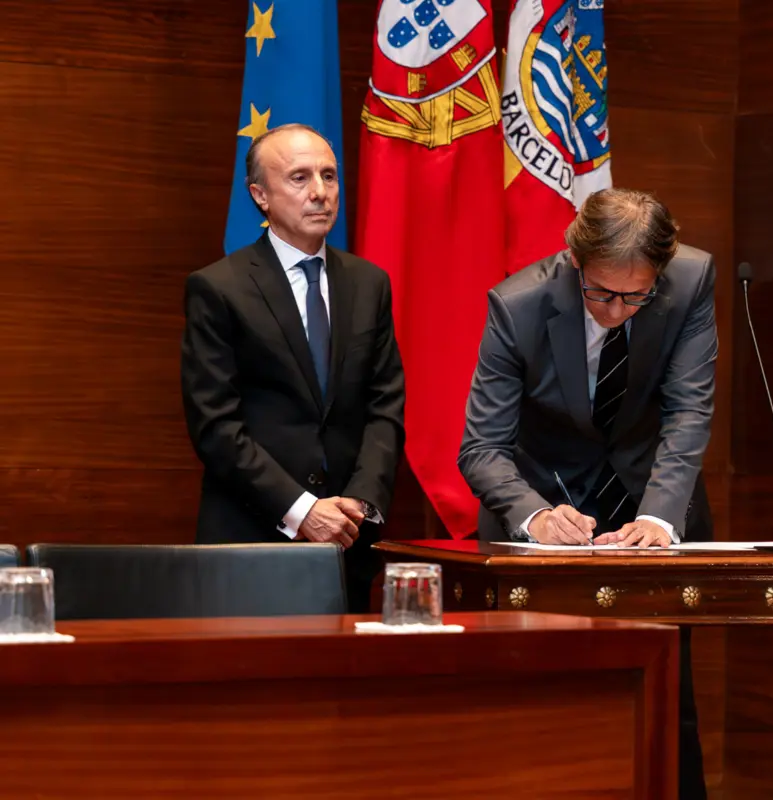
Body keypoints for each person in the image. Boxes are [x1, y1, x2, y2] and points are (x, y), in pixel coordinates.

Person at [458, 187, 716, 797]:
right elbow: (482, 448)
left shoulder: (691, 279)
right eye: (602, 292)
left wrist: (660, 519)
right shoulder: (517, 304)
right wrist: (535, 517)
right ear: (575, 259)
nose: (618, 310)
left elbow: (688, 412)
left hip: (648, 501)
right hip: (547, 506)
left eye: (636, 295)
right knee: (542, 710)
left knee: (664, 702)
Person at [181, 123, 405, 613]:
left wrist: (358, 505)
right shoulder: (219, 288)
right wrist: (302, 511)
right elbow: (216, 425)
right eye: (300, 178)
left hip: (350, 540)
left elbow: (385, 405)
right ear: (260, 195)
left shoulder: (369, 283)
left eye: (329, 176)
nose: (320, 192)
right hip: (252, 537)